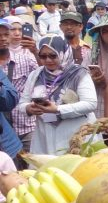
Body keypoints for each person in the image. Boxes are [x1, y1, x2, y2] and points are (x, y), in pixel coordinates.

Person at [18, 36, 97, 155]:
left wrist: (58, 110)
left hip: (77, 133)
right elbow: (22, 103)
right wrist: (29, 108)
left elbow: (91, 104)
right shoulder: (36, 75)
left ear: (64, 53)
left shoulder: (79, 74)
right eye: (43, 56)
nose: (48, 60)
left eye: (53, 55)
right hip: (45, 134)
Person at [1, 18, 38, 153]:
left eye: (5, 34)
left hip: (26, 123)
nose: (3, 39)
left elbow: (44, 75)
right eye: (0, 35)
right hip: (4, 131)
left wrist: (36, 52)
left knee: (32, 166)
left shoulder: (26, 57)